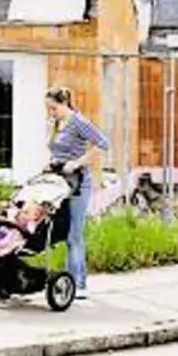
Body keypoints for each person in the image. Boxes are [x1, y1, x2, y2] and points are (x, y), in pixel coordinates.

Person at [44, 85, 109, 299]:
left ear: (64, 103)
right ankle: (67, 282)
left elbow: (102, 143)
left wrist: (77, 162)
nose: (50, 113)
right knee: (62, 232)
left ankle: (80, 285)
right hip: (60, 183)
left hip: (79, 182)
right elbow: (54, 149)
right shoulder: (58, 123)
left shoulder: (79, 122)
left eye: (53, 108)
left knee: (74, 234)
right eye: (48, 109)